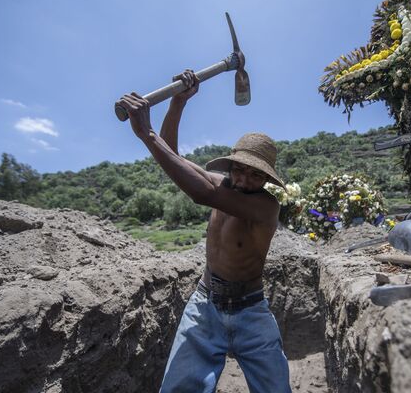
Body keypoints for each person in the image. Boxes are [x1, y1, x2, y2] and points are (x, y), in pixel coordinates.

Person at [118, 70, 292, 393]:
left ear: (267, 180)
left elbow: (202, 194)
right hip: (205, 306)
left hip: (251, 312)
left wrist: (147, 134)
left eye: (255, 176)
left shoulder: (266, 207)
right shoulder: (221, 184)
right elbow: (174, 159)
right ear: (230, 167)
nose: (243, 180)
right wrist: (178, 102)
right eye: (239, 170)